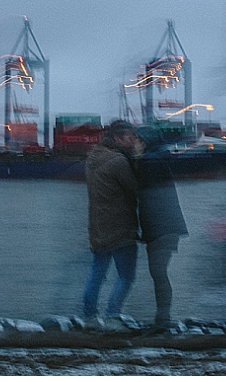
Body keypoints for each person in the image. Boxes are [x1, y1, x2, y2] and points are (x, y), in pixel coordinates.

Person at [82, 120, 144, 326]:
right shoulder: (118, 161)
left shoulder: (92, 158)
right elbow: (135, 187)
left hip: (97, 226)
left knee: (97, 274)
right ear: (117, 138)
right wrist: (138, 157)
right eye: (130, 137)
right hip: (120, 227)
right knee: (126, 276)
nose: (134, 141)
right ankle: (112, 315)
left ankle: (89, 317)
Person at [134, 125, 188, 330]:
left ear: (145, 142)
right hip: (166, 228)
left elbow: (149, 199)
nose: (134, 144)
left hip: (161, 229)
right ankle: (162, 317)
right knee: (159, 273)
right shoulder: (156, 159)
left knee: (158, 273)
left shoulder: (150, 162)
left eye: (137, 140)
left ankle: (163, 318)